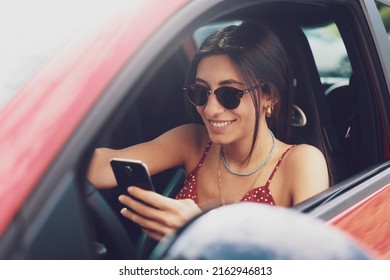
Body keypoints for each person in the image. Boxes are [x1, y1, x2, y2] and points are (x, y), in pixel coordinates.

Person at [87, 21, 329, 241]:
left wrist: (201, 229)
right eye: (200, 92)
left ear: (269, 97)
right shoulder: (193, 141)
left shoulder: (301, 162)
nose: (210, 110)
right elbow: (99, 168)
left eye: (230, 94)